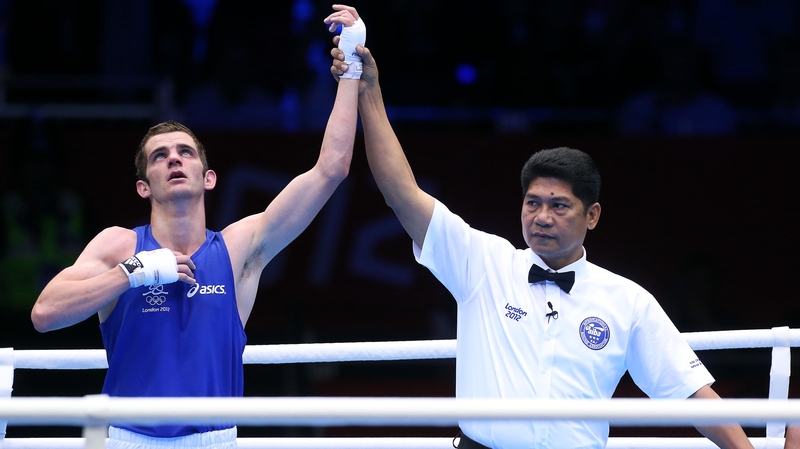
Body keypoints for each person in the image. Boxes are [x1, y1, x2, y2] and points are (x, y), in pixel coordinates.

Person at [329, 6, 754, 449]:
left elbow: (692, 393)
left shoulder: (627, 301)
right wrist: (369, 90)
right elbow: (401, 192)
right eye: (533, 203)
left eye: (558, 206)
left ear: (592, 216)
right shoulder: (482, 262)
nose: (542, 216)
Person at [29, 5, 365, 448]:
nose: (172, 158)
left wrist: (352, 67)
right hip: (127, 440)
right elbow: (43, 315)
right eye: (159, 155)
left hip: (214, 441)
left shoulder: (239, 248)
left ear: (208, 178)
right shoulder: (117, 245)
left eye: (185, 152)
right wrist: (133, 272)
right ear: (143, 187)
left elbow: (331, 170)